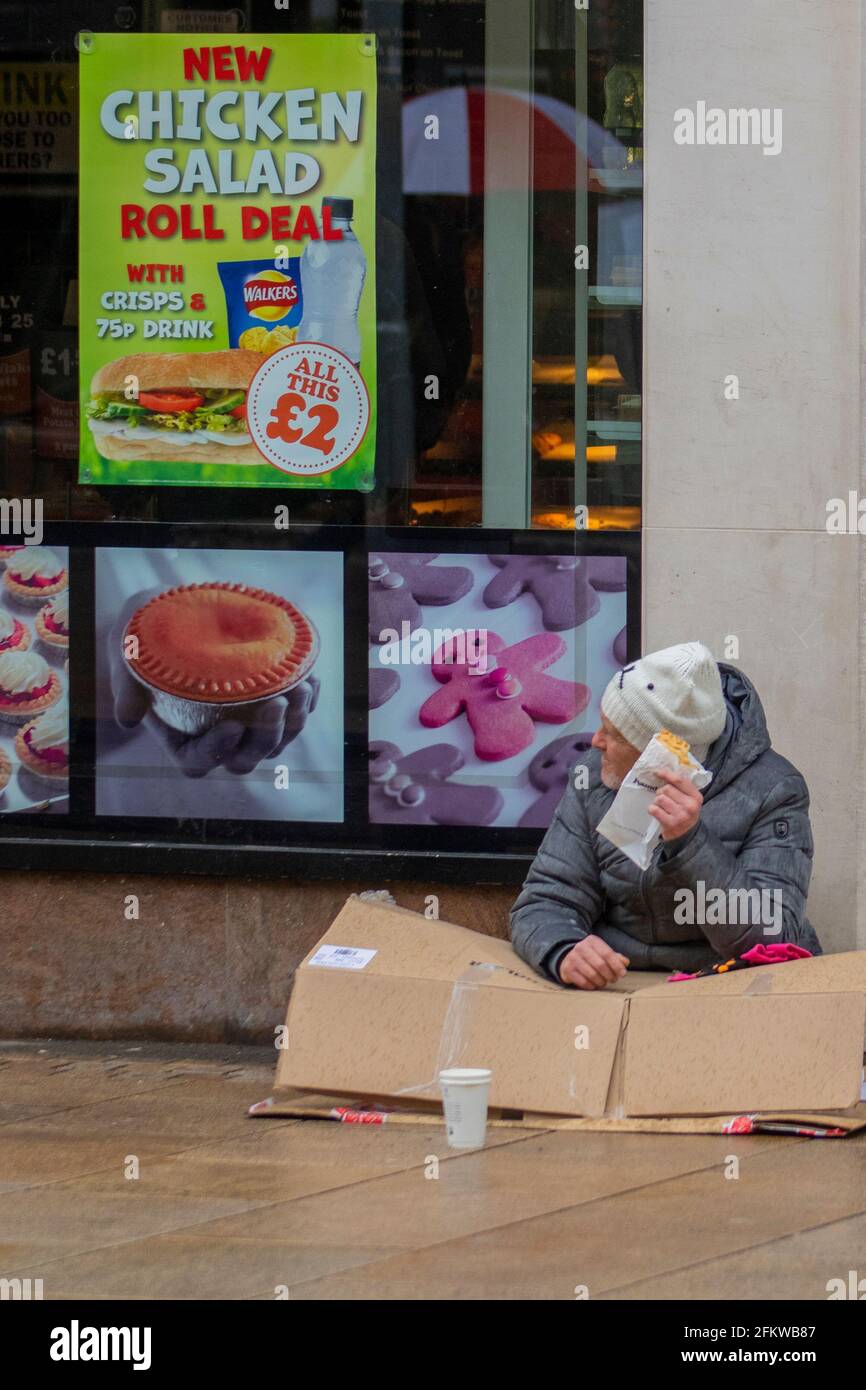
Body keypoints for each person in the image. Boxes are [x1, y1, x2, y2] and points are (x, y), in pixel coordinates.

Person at [510, 641, 821, 989]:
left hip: (725, 983)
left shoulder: (774, 789)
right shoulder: (593, 777)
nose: (595, 742)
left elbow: (769, 940)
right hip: (621, 979)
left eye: (615, 735)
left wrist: (691, 843)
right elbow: (547, 898)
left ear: (664, 756)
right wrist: (562, 949)